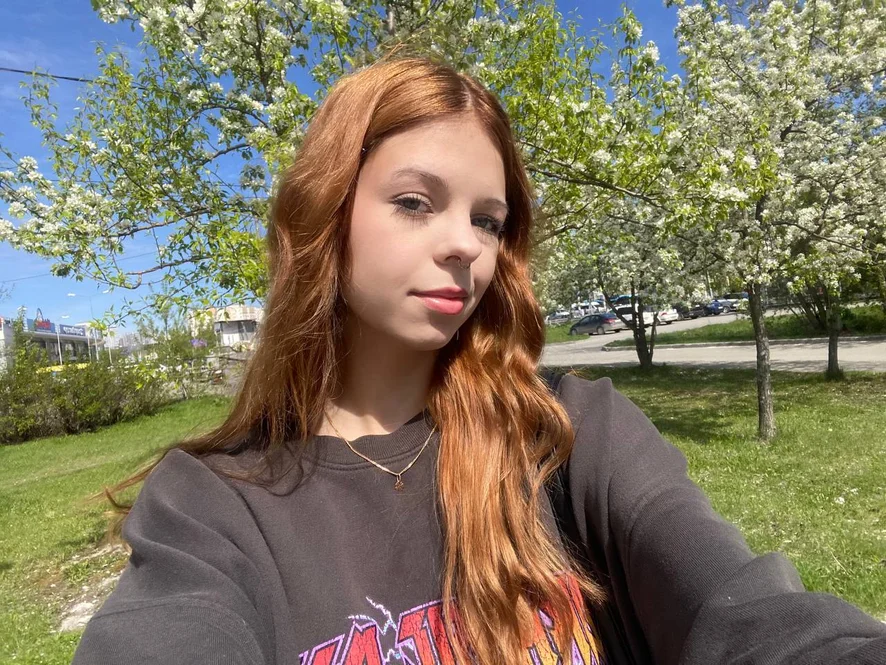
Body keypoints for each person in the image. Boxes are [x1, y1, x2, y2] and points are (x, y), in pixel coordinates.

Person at [72, 56, 886, 665]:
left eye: (488, 220)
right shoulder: (212, 505)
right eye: (414, 201)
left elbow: (747, 612)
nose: (465, 243)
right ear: (326, 212)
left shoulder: (571, 434)